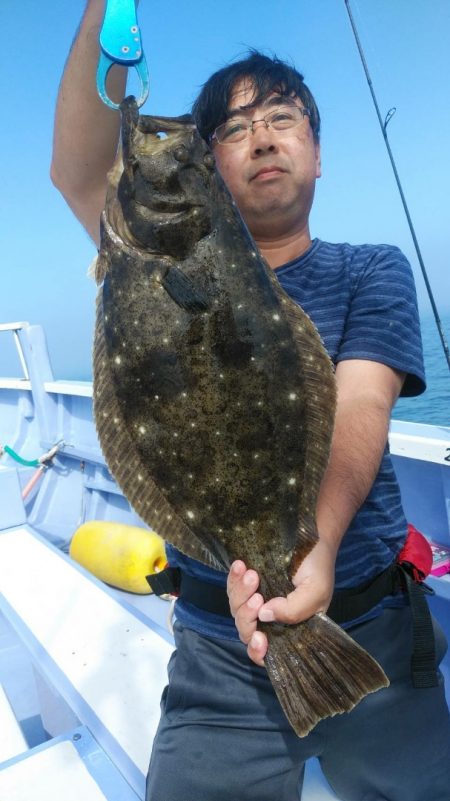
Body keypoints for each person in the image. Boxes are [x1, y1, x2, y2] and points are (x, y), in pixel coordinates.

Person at [51, 4, 450, 799]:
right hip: (216, 651)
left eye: (284, 118)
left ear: (318, 152)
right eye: (234, 129)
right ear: (214, 171)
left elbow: (362, 404)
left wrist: (315, 548)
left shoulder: (370, 270)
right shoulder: (141, 242)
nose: (265, 137)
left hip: (372, 628)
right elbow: (75, 168)